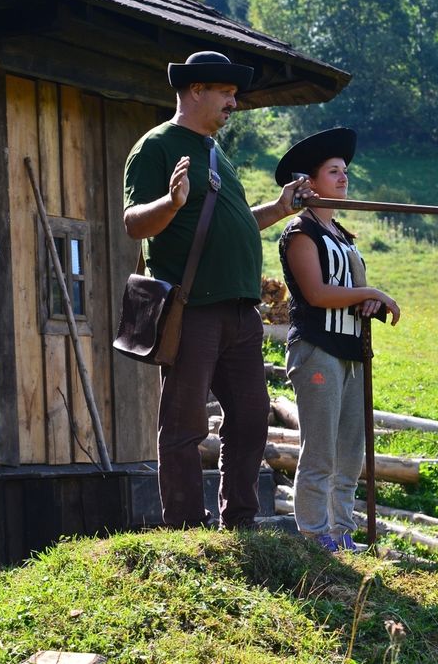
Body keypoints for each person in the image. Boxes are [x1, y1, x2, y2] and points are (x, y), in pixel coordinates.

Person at [123, 51, 306, 530]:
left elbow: (239, 222)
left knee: (249, 419)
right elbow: (133, 222)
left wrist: (282, 208)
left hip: (241, 314)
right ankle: (185, 527)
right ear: (195, 90)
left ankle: (240, 521)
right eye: (225, 92)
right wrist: (170, 201)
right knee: (184, 425)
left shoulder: (214, 153)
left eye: (234, 94)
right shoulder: (156, 146)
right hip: (193, 308)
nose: (233, 102)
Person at [276, 127, 400, 552]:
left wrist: (369, 305)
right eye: (333, 171)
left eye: (344, 171)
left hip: (351, 354)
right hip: (317, 351)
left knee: (349, 452)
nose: (344, 178)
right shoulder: (300, 233)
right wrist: (371, 294)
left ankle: (341, 532)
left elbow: (349, 293)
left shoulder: (343, 236)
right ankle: (314, 534)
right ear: (310, 183)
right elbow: (317, 294)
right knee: (321, 451)